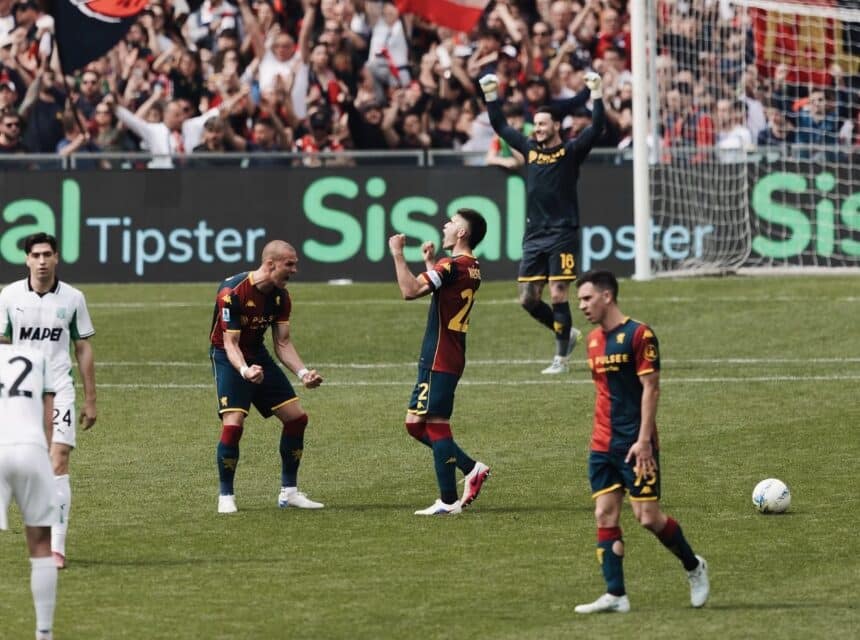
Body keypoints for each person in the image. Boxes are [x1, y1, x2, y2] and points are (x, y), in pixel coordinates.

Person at [573, 270, 709, 614]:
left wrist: (644, 440)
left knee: (647, 517)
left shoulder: (640, 335)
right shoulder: (591, 341)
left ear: (607, 296)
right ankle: (616, 594)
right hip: (602, 443)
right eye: (579, 301)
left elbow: (651, 388)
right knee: (604, 513)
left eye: (587, 298)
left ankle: (693, 566)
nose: (582, 306)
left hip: (637, 444)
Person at [479, 70, 606, 374]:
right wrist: (491, 95)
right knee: (527, 299)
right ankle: (566, 333)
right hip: (534, 233)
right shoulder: (529, 150)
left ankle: (560, 359)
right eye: (535, 124)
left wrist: (597, 93)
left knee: (558, 291)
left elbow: (597, 126)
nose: (536, 129)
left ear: (555, 127)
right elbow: (498, 125)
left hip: (563, 231)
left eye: (542, 124)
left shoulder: (571, 151)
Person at [0, 232, 97, 571]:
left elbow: (82, 348)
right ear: (27, 259)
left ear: (57, 258)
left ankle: (56, 548)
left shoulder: (73, 298)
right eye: (35, 255)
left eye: (47, 255)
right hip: (19, 393)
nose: (41, 261)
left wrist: (91, 399)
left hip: (59, 390)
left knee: (58, 463)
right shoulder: (9, 296)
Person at [388, 209, 491, 516]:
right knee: (414, 424)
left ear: (462, 233)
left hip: (440, 355)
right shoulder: (471, 267)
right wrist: (430, 265)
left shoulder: (452, 265)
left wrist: (397, 254)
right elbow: (448, 291)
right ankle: (471, 468)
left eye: (452, 222)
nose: (446, 225)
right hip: (448, 352)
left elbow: (410, 291)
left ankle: (448, 501)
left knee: (435, 425)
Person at [209, 240, 324, 514]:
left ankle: (290, 492)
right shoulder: (232, 292)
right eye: (290, 264)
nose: (295, 270)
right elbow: (230, 343)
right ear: (270, 264)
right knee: (234, 422)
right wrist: (245, 371)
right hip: (229, 358)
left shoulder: (281, 296)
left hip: (257, 354)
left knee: (297, 418)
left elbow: (282, 343)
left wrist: (303, 373)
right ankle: (226, 495)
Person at [0, 344, 58, 640]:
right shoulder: (38, 356)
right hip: (31, 447)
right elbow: (49, 417)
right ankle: (44, 633)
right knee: (40, 545)